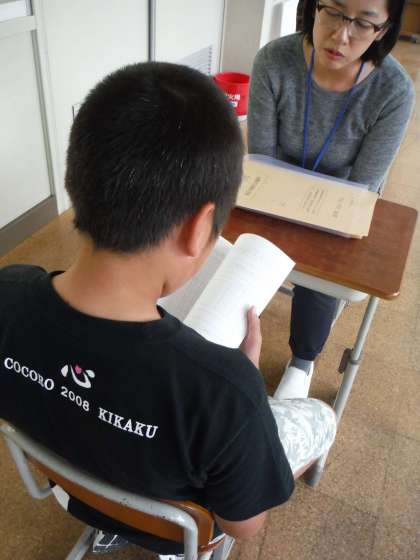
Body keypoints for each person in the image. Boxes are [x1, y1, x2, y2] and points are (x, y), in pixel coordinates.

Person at [0, 62, 336, 558]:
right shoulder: (226, 393)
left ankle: (113, 520)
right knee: (320, 416)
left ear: (76, 182)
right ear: (199, 227)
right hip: (172, 526)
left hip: (73, 488)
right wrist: (245, 392)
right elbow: (243, 525)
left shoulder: (8, 291)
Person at [248, 0, 415, 400]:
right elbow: (262, 159)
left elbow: (363, 183)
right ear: (313, 7)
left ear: (384, 29)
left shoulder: (393, 90)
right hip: (274, 187)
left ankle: (303, 360)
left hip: (342, 198)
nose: (341, 35)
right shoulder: (274, 60)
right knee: (243, 253)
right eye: (334, 12)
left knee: (323, 271)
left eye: (363, 24)